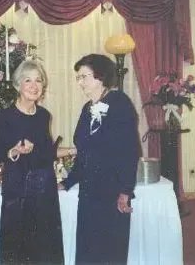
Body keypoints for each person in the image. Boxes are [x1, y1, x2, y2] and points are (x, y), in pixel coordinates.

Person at [58, 54, 140, 264]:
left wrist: (125, 191)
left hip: (111, 191)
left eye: (84, 77)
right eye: (78, 77)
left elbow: (129, 151)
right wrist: (68, 182)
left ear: (100, 77)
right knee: (88, 250)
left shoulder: (120, 103)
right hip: (89, 192)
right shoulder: (87, 108)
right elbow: (84, 152)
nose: (80, 83)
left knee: (110, 251)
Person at [0, 60, 65, 264]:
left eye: (38, 80)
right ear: (17, 86)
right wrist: (14, 150)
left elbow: (47, 152)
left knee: (45, 247)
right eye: (28, 80)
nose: (34, 86)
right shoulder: (5, 116)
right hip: (18, 191)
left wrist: (75, 149)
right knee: (18, 247)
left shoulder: (43, 116)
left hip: (44, 190)